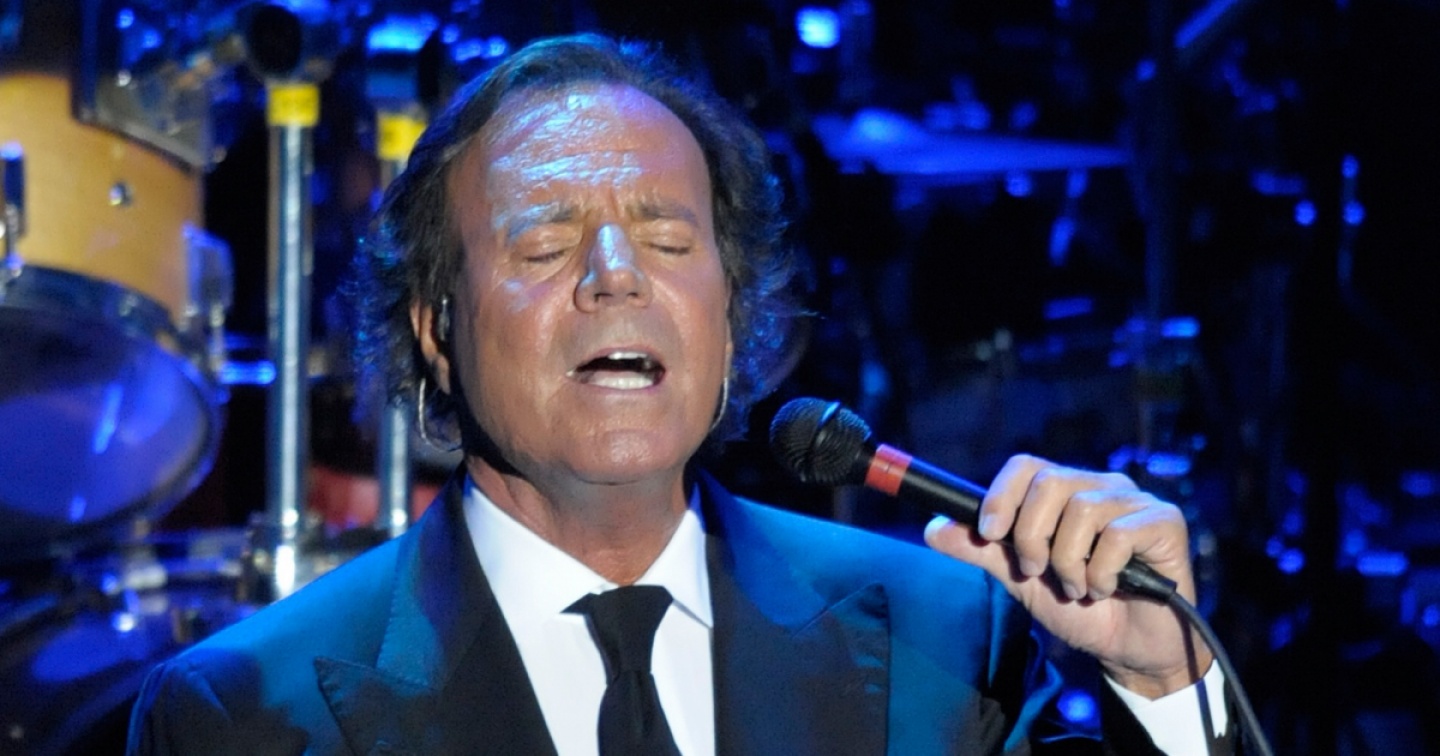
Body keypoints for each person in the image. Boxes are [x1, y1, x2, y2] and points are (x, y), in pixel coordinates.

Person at [128, 34, 1231, 755]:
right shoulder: (240, 715)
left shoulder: (943, 644)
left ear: (730, 317)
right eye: (545, 245)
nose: (617, 276)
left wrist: (1167, 685)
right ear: (438, 329)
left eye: (667, 240)